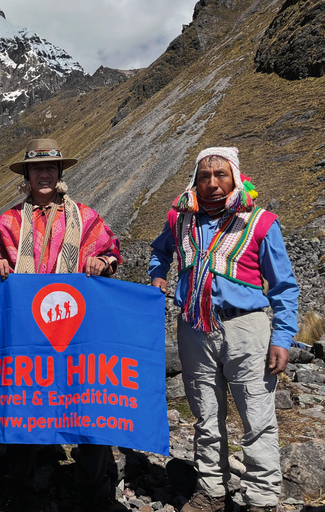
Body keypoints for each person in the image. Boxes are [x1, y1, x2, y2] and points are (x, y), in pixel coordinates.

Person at [148, 147, 299, 512]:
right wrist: (158, 276)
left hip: (245, 328)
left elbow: (284, 286)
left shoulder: (259, 221)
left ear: (234, 176)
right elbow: (159, 252)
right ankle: (211, 491)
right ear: (195, 180)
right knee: (204, 413)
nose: (213, 184)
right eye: (205, 176)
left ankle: (261, 498)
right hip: (193, 327)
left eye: (221, 175)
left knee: (256, 415)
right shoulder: (179, 218)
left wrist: (281, 337)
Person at [0, 138, 124, 511]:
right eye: (36, 169)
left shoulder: (86, 218)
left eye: (50, 168)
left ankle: (92, 489)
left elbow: (111, 251)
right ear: (26, 175)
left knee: (90, 405)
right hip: (26, 336)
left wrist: (102, 263)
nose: (44, 174)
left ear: (60, 174)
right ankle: (22, 490)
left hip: (75, 332)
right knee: (23, 404)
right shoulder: (8, 222)